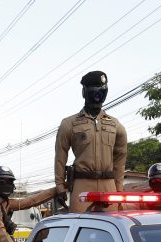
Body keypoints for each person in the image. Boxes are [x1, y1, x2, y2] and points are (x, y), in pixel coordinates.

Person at [54, 70, 127, 212]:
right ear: (84, 92)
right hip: (82, 184)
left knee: (113, 226)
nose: (97, 96)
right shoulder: (69, 124)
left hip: (109, 185)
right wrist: (60, 187)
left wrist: (119, 189)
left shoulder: (115, 125)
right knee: (80, 226)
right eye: (93, 91)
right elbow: (60, 156)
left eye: (101, 92)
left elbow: (120, 159)